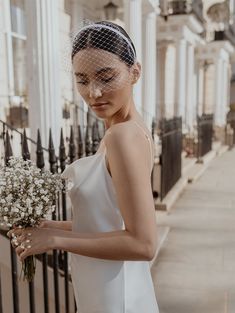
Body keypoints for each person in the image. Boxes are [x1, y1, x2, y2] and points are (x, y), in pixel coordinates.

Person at [8, 21, 159, 313]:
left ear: (135, 72)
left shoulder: (122, 136)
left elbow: (143, 244)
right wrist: (49, 226)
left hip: (118, 295)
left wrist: (55, 239)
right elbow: (109, 223)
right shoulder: (128, 130)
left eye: (106, 77)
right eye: (82, 80)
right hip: (106, 285)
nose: (94, 93)